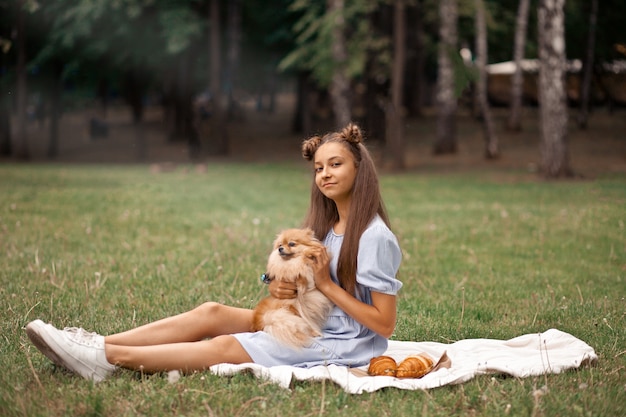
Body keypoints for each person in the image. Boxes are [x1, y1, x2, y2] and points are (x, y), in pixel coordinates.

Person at [25, 122, 402, 382]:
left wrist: (326, 285)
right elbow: (287, 278)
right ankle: (97, 343)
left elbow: (384, 324)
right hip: (310, 322)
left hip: (342, 344)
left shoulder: (373, 237)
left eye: (336, 164)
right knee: (211, 312)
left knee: (223, 346)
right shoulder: (325, 227)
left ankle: (107, 360)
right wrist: (273, 284)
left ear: (360, 168)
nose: (325, 174)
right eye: (319, 168)